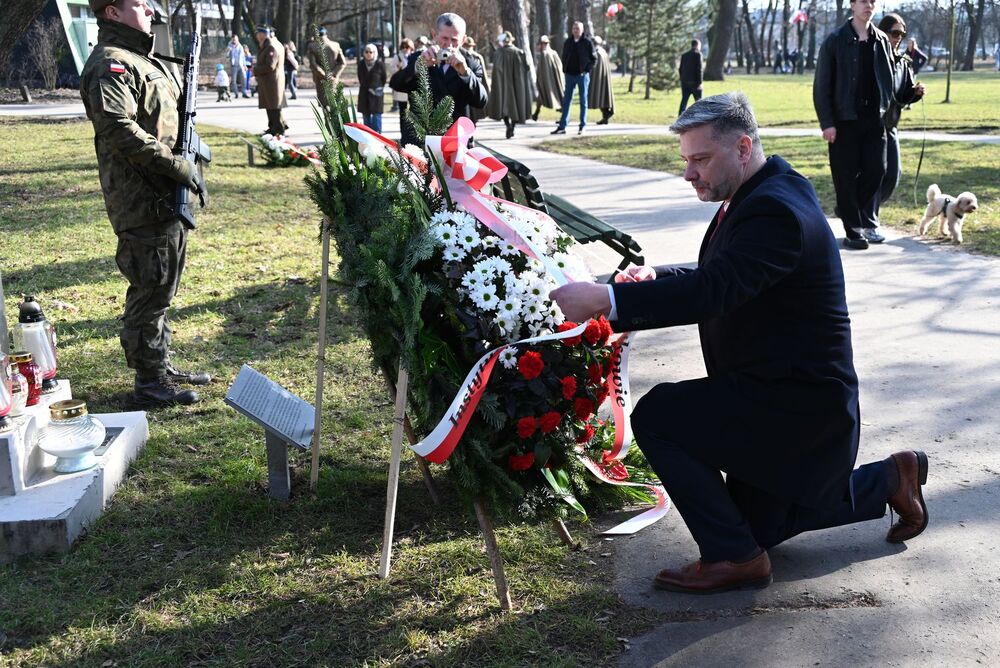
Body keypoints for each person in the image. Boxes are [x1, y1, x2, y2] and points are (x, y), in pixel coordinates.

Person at [549, 92, 929, 593]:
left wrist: (609, 300)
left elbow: (715, 289)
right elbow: (727, 272)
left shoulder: (774, 210)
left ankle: (733, 558)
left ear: (743, 147)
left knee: (660, 415)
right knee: (759, 528)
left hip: (798, 408)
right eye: (686, 160)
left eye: (701, 159)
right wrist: (655, 277)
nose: (689, 173)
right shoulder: (764, 189)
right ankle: (891, 478)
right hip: (772, 392)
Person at [80, 0, 211, 407]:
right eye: (139, 4)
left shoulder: (142, 58)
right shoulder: (111, 63)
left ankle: (160, 365)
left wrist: (188, 162)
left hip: (164, 193)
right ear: (112, 12)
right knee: (150, 289)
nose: (150, 10)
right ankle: (150, 382)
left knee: (163, 288)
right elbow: (118, 127)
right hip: (141, 197)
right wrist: (176, 166)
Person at [813, 0, 895, 250]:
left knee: (877, 170)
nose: (868, 5)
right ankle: (853, 231)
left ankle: (848, 209)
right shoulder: (835, 40)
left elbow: (890, 78)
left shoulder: (881, 40)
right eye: (862, 1)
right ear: (852, 5)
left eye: (872, 1)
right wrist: (827, 123)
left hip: (874, 119)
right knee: (845, 177)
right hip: (843, 121)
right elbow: (822, 85)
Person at [389, 12, 488, 147]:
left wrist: (465, 73)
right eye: (444, 38)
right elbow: (396, 84)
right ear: (434, 34)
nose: (449, 45)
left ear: (463, 39)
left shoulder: (470, 63)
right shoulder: (419, 57)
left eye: (454, 40)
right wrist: (418, 67)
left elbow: (481, 101)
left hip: (455, 140)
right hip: (419, 138)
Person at [876, 13, 926, 216]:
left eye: (902, 34)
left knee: (893, 174)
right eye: (895, 33)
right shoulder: (874, 58)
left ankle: (867, 210)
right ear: (882, 32)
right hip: (872, 126)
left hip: (891, 126)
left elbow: (903, 95)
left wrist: (915, 93)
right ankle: (864, 214)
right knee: (874, 174)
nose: (898, 38)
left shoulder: (903, 63)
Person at [552, 21, 596, 135]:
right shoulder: (568, 42)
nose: (575, 30)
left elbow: (593, 59)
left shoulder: (587, 42)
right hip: (570, 75)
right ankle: (562, 126)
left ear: (582, 30)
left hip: (582, 75)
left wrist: (586, 70)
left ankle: (582, 126)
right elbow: (564, 56)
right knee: (566, 101)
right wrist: (565, 69)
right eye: (574, 28)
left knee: (583, 101)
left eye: (577, 28)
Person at [487, 31, 532, 139]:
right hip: (516, 85)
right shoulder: (519, 52)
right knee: (517, 105)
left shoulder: (499, 53)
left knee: (504, 106)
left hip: (503, 85)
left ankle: (508, 125)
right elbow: (527, 67)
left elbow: (496, 69)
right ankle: (512, 126)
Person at [253, 24, 287, 136]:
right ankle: (274, 126)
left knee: (273, 106)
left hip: (271, 81)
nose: (257, 36)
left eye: (258, 33)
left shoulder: (270, 46)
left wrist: (255, 70)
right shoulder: (275, 44)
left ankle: (277, 129)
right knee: (272, 105)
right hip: (272, 80)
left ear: (263, 34)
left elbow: (270, 66)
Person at [307, 27, 346, 106]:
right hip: (333, 78)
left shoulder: (312, 46)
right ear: (326, 34)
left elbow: (313, 65)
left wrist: (325, 75)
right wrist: (334, 73)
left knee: (324, 105)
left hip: (320, 79)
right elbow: (342, 63)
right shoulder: (336, 45)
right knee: (334, 104)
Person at [533, 35, 564, 121]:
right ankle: (536, 114)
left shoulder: (545, 54)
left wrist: (541, 81)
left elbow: (542, 70)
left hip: (548, 81)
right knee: (542, 96)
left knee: (547, 95)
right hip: (554, 80)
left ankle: (563, 115)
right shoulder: (553, 52)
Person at [357, 43, 386, 133]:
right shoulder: (361, 64)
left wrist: (376, 87)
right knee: (366, 119)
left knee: (376, 118)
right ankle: (368, 139)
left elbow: (384, 79)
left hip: (376, 95)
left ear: (375, 53)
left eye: (371, 52)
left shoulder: (380, 64)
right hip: (364, 95)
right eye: (366, 52)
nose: (369, 54)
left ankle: (377, 138)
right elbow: (360, 78)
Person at [462, 36, 490, 123]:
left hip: (474, 87)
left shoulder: (477, 57)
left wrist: (486, 88)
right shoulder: (460, 56)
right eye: (467, 46)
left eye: (469, 46)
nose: (468, 48)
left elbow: (483, 75)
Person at [590, 35, 615, 125]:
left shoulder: (598, 52)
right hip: (602, 77)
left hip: (599, 78)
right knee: (603, 96)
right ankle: (605, 116)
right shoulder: (602, 51)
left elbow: (595, 66)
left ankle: (606, 115)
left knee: (600, 96)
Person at [678, 39, 703, 114]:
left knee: (684, 101)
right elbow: (699, 69)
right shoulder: (698, 54)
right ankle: (700, 117)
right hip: (695, 83)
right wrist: (700, 82)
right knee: (699, 102)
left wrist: (682, 79)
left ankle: (680, 116)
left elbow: (680, 69)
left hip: (685, 82)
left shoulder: (684, 55)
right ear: (697, 45)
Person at [390, 38, 414, 115]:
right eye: (403, 47)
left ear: (411, 47)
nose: (405, 49)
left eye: (407, 47)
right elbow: (392, 70)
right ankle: (403, 123)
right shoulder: (397, 57)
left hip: (411, 85)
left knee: (413, 109)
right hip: (401, 85)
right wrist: (398, 68)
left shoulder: (413, 56)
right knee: (403, 111)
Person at [226, 34, 248, 98]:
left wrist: (245, 65)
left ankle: (244, 92)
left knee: (244, 78)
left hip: (240, 65)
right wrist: (228, 50)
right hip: (234, 65)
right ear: (231, 40)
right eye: (233, 40)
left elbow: (243, 57)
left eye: (235, 39)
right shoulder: (229, 46)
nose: (234, 41)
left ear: (237, 39)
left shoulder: (240, 46)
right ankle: (236, 93)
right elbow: (227, 56)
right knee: (234, 80)